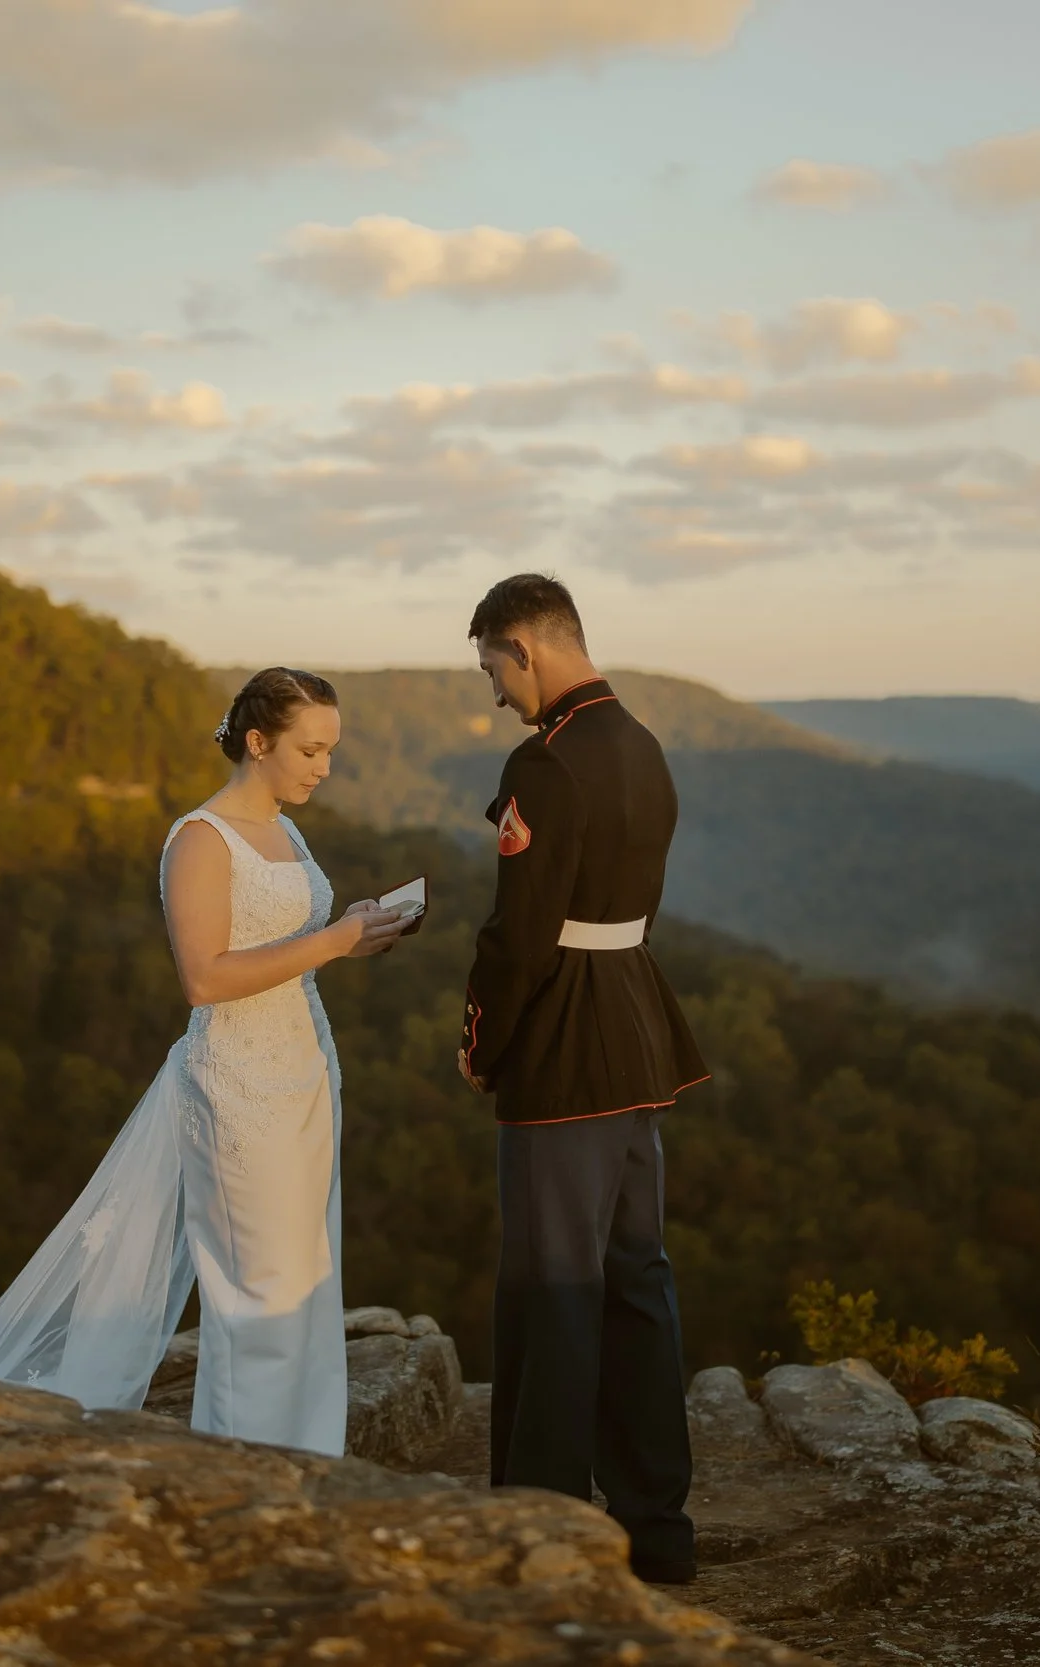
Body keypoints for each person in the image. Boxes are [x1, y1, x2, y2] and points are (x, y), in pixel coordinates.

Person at [0, 668, 408, 1454]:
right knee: (256, 1297)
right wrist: (331, 943)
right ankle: (244, 1476)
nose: (323, 767)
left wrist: (354, 927)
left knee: (305, 1286)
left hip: (305, 1073)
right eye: (311, 749)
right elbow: (204, 978)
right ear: (257, 743)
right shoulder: (200, 839)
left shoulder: (287, 830)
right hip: (236, 1088)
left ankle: (310, 1466)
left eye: (330, 749)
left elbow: (290, 944)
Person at [456, 574, 710, 1584]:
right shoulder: (642, 744)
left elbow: (520, 936)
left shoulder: (545, 763)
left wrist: (483, 1039)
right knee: (636, 1280)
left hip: (564, 1043)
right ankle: (656, 1527)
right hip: (638, 1031)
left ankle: (543, 1529)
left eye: (492, 670)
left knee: (551, 1287)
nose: (496, 695)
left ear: (525, 647)